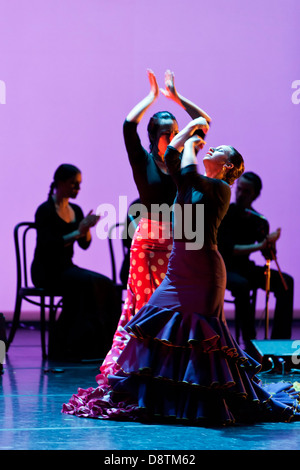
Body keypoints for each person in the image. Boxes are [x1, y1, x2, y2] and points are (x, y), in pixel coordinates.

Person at [62, 118, 300, 424]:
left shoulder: (217, 188)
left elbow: (184, 165)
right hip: (179, 268)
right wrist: (189, 130)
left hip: (203, 272)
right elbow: (172, 157)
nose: (210, 148)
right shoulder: (194, 183)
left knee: (196, 338)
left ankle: (201, 401)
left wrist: (192, 134)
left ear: (227, 167)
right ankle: (166, 396)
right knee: (157, 324)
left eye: (219, 150)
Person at [96, 69, 212, 383]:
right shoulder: (142, 160)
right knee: (145, 306)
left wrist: (176, 96)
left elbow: (203, 122)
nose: (173, 136)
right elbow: (127, 125)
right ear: (153, 137)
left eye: (176, 131)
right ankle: (140, 369)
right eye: (166, 133)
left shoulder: (182, 158)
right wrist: (150, 99)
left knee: (176, 308)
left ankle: (172, 369)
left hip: (180, 242)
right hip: (147, 245)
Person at [31, 164, 120, 360]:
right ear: (60, 183)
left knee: (105, 283)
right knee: (87, 283)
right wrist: (77, 231)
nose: (77, 189)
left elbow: (84, 245)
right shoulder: (45, 210)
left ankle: (104, 345)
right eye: (73, 184)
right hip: (47, 271)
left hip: (67, 268)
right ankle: (71, 346)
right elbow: (49, 245)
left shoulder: (76, 210)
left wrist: (86, 229)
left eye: (79, 185)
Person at [217, 171, 294, 344]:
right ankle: (250, 342)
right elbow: (229, 250)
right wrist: (260, 245)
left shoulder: (258, 220)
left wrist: (270, 244)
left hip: (245, 268)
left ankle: (280, 343)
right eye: (239, 189)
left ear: (255, 195)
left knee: (285, 282)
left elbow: (268, 255)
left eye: (246, 192)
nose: (240, 194)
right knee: (243, 285)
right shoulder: (224, 214)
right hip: (225, 268)